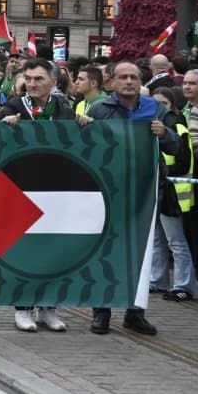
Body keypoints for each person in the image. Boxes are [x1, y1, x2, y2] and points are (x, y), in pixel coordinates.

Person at [82, 61, 179, 335]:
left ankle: (135, 313)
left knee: (140, 254)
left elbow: (176, 147)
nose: (128, 81)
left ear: (141, 81)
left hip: (144, 192)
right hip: (109, 191)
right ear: (111, 82)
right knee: (105, 252)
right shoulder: (100, 109)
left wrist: (165, 134)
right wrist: (86, 126)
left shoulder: (156, 109)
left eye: (134, 77)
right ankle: (101, 313)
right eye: (123, 77)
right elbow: (86, 146)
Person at [0, 58, 75, 333]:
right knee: (25, 250)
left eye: (38, 79)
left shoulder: (65, 110)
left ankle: (48, 308)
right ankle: (22, 307)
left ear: (53, 82)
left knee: (53, 250)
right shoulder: (15, 106)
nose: (32, 84)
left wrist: (85, 123)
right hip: (22, 189)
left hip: (55, 190)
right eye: (28, 79)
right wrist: (2, 122)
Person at [148, 87, 198, 302]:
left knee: (175, 241)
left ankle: (183, 285)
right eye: (155, 104)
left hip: (172, 193)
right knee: (157, 239)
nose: (160, 108)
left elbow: (183, 161)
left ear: (172, 106)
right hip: (156, 189)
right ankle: (158, 280)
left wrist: (161, 172)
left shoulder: (176, 127)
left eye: (164, 104)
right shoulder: (150, 127)